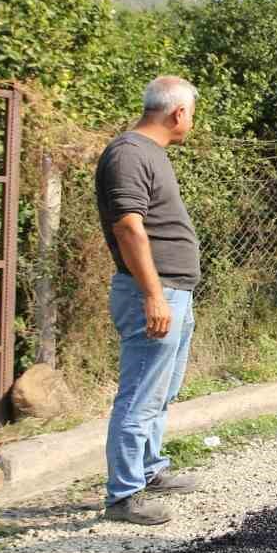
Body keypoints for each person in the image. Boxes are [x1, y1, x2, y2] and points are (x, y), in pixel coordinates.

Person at [93, 76, 203, 525]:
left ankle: (150, 469)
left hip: (175, 291)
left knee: (161, 391)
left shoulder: (149, 154)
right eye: (192, 114)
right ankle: (123, 495)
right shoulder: (129, 154)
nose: (192, 122)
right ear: (178, 113)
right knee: (140, 395)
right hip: (153, 296)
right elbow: (128, 228)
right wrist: (153, 295)